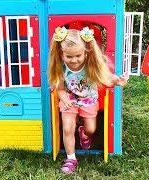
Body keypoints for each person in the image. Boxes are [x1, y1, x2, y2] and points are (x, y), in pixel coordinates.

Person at [48, 26, 128, 174]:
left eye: (78, 55)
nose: (74, 60)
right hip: (70, 99)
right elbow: (59, 88)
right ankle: (71, 158)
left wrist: (117, 81)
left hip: (88, 100)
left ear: (85, 51)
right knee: (67, 128)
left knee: (91, 129)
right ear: (62, 54)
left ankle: (83, 132)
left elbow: (106, 77)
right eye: (69, 57)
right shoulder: (60, 66)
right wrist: (65, 100)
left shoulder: (91, 64)